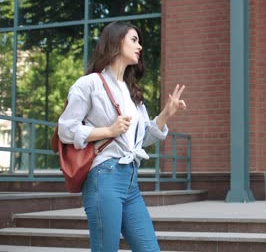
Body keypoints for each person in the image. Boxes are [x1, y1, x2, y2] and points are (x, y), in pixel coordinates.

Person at [58, 21, 186, 252]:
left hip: (130, 182)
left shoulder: (130, 91)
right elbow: (66, 129)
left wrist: (166, 114)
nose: (140, 47)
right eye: (134, 40)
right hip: (104, 178)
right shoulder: (89, 84)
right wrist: (108, 131)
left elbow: (140, 140)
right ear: (117, 42)